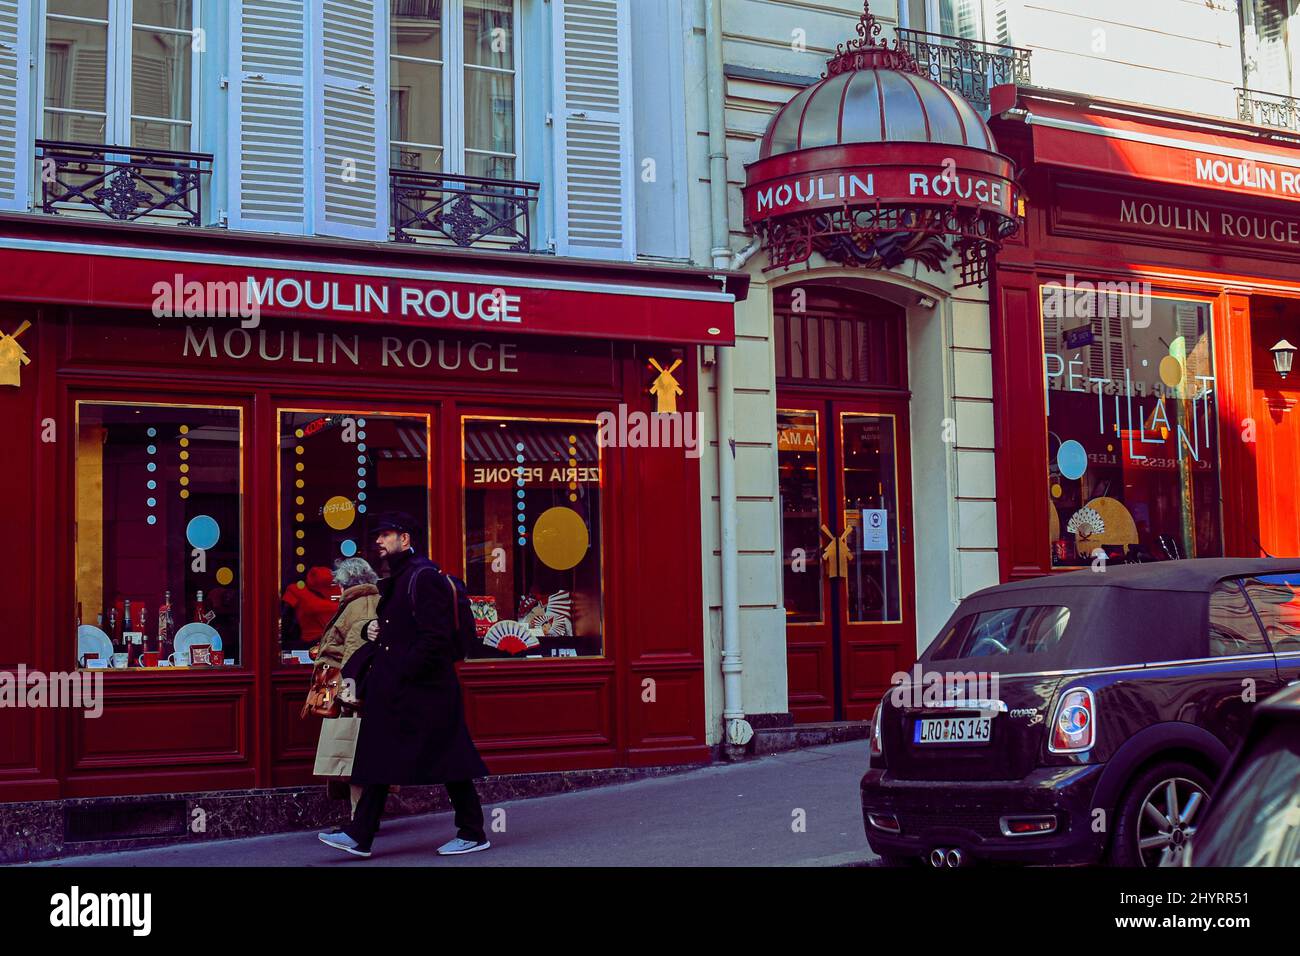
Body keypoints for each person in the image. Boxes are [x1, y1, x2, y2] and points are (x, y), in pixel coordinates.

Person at [319, 512, 490, 859]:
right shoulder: (400, 578)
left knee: (450, 759)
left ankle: (472, 831)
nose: (379, 542)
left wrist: (401, 672)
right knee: (382, 755)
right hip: (405, 688)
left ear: (406, 539)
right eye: (379, 536)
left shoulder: (422, 577)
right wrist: (372, 631)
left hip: (426, 689)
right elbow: (404, 630)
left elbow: (435, 637)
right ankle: (361, 834)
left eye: (386, 535)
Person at [311, 557, 381, 818]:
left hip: (350, 691)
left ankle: (359, 819)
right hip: (344, 685)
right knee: (356, 754)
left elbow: (357, 653)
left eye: (339, 583)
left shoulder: (359, 604)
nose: (337, 587)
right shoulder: (361, 601)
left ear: (347, 582)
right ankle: (360, 817)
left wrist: (349, 693)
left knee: (353, 755)